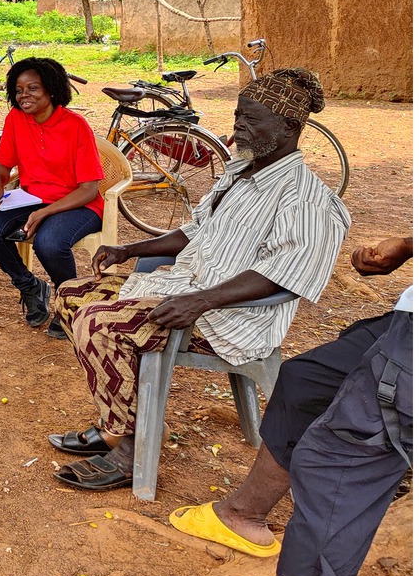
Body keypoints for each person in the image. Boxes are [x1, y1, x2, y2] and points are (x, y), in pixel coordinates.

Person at [45, 68, 350, 492]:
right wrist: (130, 250)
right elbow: (195, 230)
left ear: (289, 127)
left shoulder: (308, 199)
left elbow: (284, 275)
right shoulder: (241, 171)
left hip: (229, 318)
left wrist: (202, 300)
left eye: (252, 118)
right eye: (239, 114)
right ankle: (124, 422)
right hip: (188, 288)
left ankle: (133, 447)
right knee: (69, 296)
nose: (239, 125)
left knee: (99, 324)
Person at [168, 235, 411, 576]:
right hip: (404, 320)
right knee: (307, 382)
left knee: (335, 471)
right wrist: (405, 246)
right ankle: (244, 514)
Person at [0, 56, 104, 339]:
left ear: (52, 90)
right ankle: (30, 285)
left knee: (49, 243)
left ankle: (67, 304)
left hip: (78, 203)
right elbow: (2, 164)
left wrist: (45, 213)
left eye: (33, 88)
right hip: (31, 197)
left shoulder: (76, 126)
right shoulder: (16, 119)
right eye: (19, 90)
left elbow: (89, 189)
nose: (24, 96)